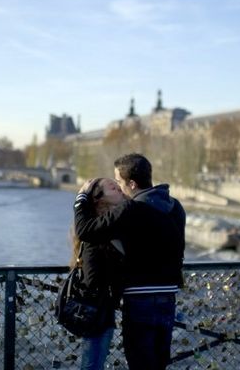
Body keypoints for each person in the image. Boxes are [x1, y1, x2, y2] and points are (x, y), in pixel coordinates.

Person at [74, 153, 186, 370]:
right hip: (168, 297)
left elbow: (85, 231)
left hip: (139, 298)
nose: (117, 186)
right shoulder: (176, 207)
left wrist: (82, 199)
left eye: (118, 182)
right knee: (158, 363)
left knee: (140, 363)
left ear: (132, 184)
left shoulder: (131, 209)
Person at [71, 178, 126, 370]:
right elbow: (93, 279)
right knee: (92, 365)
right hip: (97, 313)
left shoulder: (109, 226)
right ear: (99, 199)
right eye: (113, 187)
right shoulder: (96, 232)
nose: (119, 188)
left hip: (104, 311)